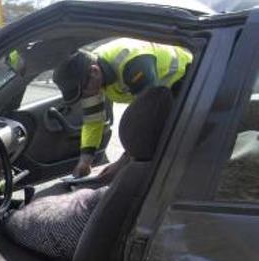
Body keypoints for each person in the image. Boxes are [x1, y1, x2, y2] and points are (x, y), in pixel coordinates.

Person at [52, 38, 192, 177]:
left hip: (188, 80)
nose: (85, 96)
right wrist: (85, 161)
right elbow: (93, 122)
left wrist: (122, 162)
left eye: (83, 91)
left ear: (94, 72)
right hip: (159, 93)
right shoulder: (90, 70)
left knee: (165, 145)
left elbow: (146, 119)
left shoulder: (134, 63)